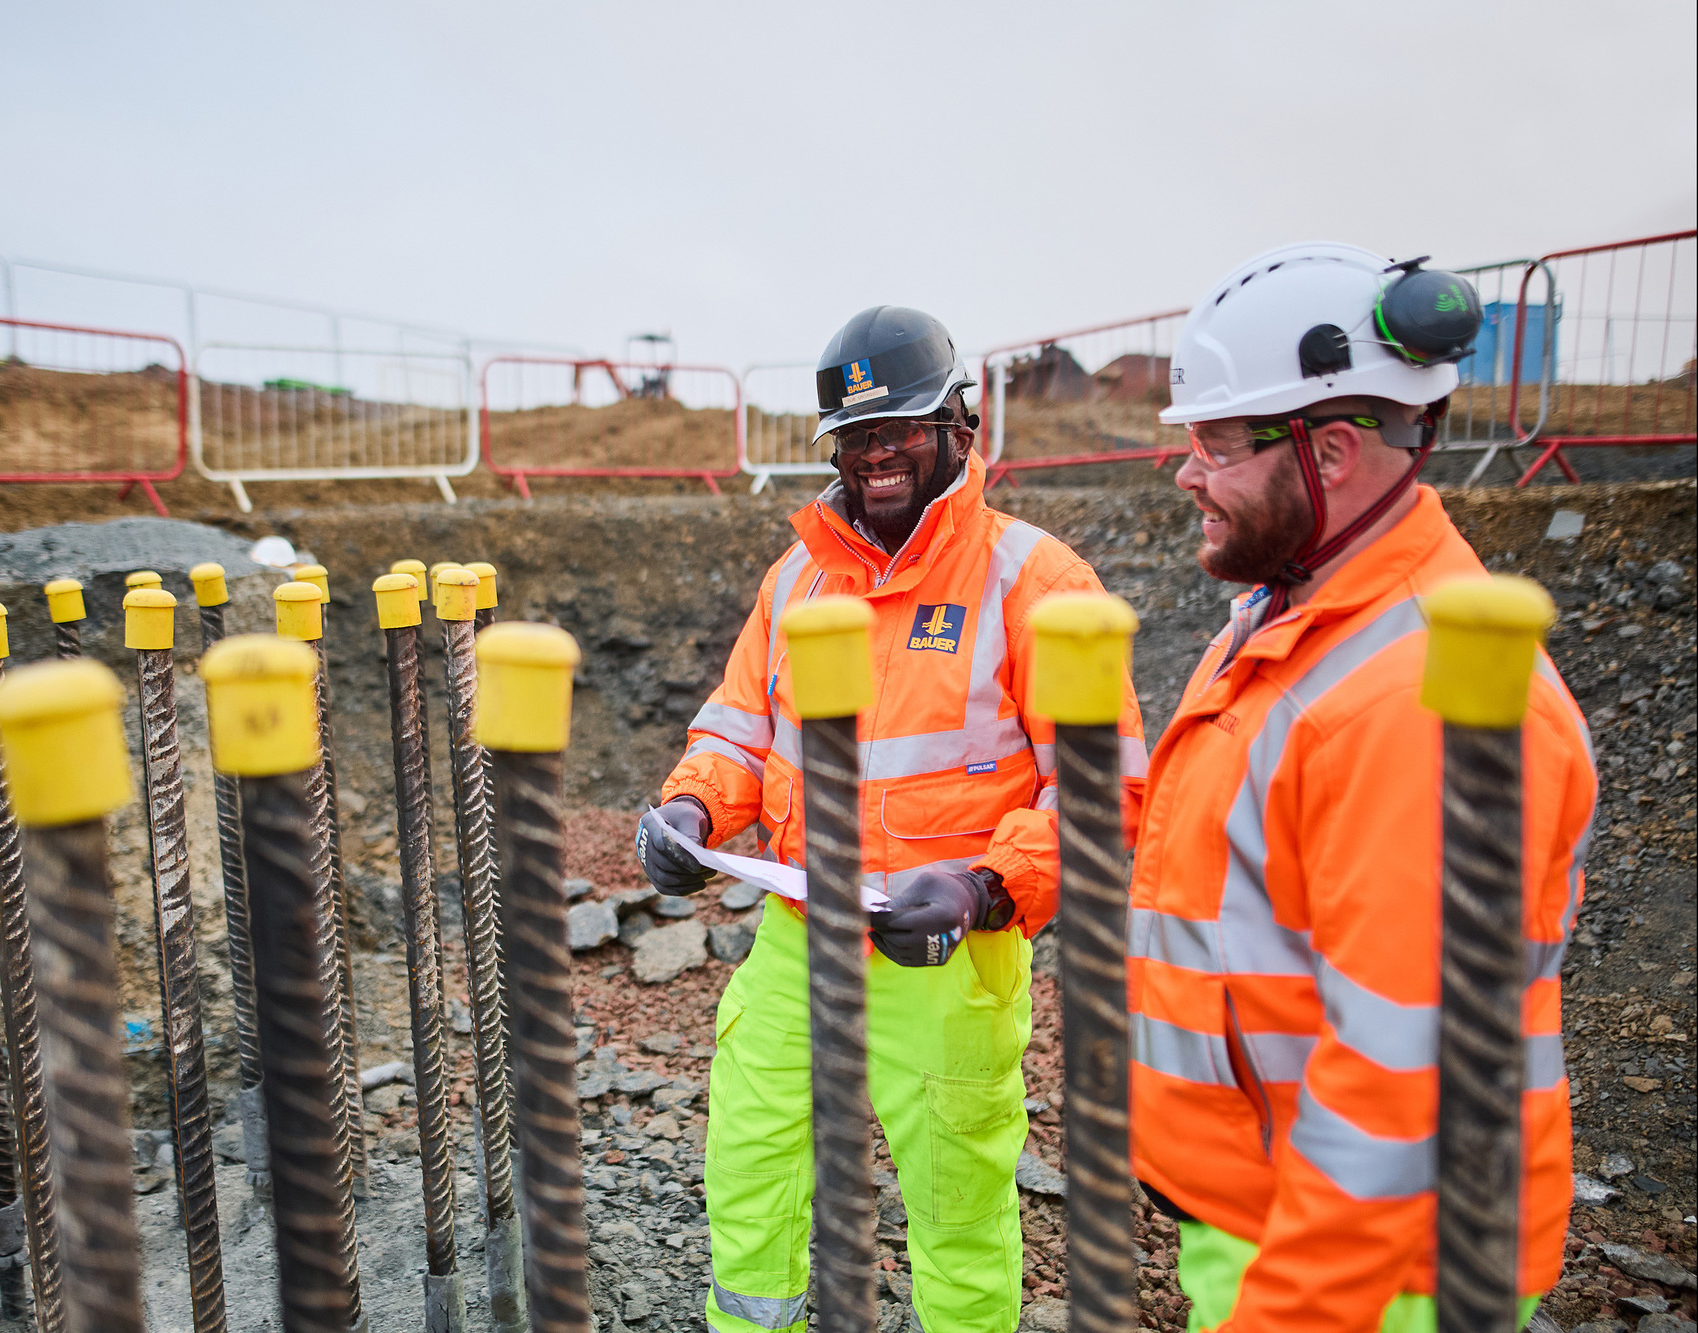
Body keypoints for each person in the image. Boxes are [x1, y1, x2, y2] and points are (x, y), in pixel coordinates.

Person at [636, 306, 1148, 1333]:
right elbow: (736, 730)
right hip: (799, 936)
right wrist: (689, 805)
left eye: (899, 431)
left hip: (946, 952)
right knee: (749, 1164)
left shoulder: (1033, 580)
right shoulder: (794, 578)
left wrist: (982, 883)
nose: (875, 456)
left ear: (960, 426)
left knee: (956, 1213)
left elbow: (1102, 793)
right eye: (855, 438)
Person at [1130, 242, 1598, 1330]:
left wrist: (1289, 1312)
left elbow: (1403, 1075)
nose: (1185, 471)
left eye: (1211, 439)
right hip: (1279, 1218)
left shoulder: (1422, 696)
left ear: (1330, 451)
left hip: (1370, 1274)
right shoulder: (1285, 624)